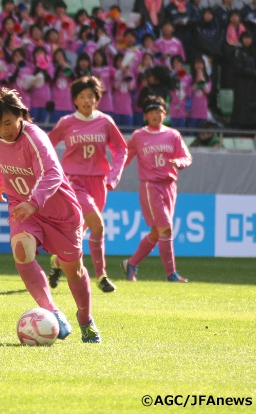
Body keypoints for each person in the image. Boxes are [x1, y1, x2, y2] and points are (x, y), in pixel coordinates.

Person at [0, 87, 101, 343]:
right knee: (21, 251)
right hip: (23, 208)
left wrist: (34, 202)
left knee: (74, 272)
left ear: (22, 116)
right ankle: (53, 312)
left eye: (8, 123)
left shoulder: (35, 137)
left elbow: (53, 173)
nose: (4, 130)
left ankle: (85, 320)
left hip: (60, 213)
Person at [48, 76, 127, 293]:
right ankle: (101, 276)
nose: (86, 100)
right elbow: (46, 145)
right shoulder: (66, 123)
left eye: (91, 96)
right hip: (73, 182)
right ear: (74, 100)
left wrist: (114, 175)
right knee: (98, 226)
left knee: (78, 233)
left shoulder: (105, 122)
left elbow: (121, 149)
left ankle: (56, 262)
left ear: (97, 99)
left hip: (99, 183)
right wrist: (50, 173)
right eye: (81, 96)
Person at [122, 95, 192, 282]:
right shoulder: (138, 136)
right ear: (145, 115)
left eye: (158, 112)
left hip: (169, 186)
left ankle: (132, 263)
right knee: (166, 229)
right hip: (150, 186)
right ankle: (171, 274)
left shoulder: (173, 135)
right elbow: (125, 158)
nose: (155, 115)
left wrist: (179, 162)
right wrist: (111, 172)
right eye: (151, 112)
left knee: (157, 232)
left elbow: (187, 157)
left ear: (165, 113)